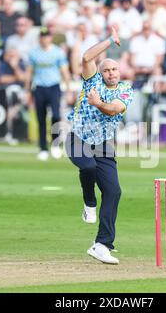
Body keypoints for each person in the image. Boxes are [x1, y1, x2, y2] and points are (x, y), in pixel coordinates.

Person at [65, 26, 133, 265]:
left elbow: (114, 108)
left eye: (115, 69)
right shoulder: (91, 81)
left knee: (114, 191)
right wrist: (110, 40)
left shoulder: (125, 90)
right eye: (107, 70)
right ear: (101, 73)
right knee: (88, 168)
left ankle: (102, 244)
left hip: (103, 144)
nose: (111, 73)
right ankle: (89, 202)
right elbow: (85, 57)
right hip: (77, 138)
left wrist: (98, 103)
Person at [26, 27, 73, 161]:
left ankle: (55, 144)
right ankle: (42, 148)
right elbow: (29, 73)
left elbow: (64, 71)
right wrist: (27, 90)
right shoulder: (34, 53)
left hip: (54, 86)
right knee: (41, 118)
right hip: (39, 87)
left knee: (56, 116)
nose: (44, 38)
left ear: (50, 38)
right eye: (42, 36)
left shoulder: (58, 52)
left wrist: (69, 89)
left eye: (47, 36)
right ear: (39, 38)